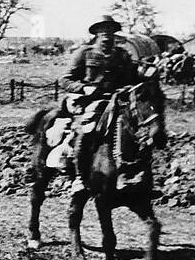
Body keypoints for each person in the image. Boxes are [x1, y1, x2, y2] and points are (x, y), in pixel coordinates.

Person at [51, 15, 141, 179]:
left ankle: (131, 173)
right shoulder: (84, 53)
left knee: (136, 130)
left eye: (110, 30)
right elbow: (64, 79)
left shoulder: (122, 55)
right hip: (88, 102)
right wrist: (84, 88)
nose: (107, 33)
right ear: (96, 33)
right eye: (103, 29)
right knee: (87, 129)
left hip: (118, 102)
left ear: (115, 33)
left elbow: (132, 80)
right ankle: (78, 175)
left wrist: (130, 85)